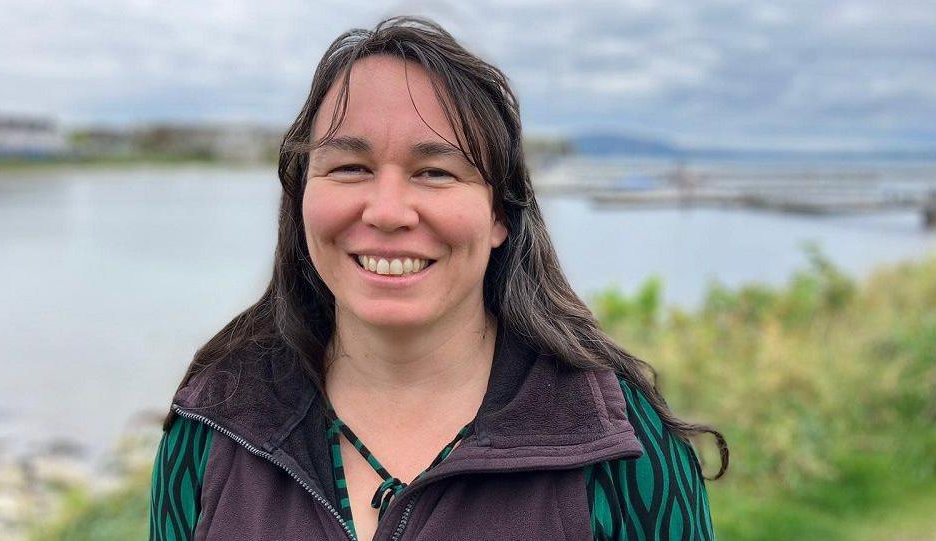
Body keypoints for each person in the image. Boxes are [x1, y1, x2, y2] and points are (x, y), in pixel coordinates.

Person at [149, 15, 728, 541]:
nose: (388, 211)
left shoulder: (621, 447)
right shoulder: (214, 423)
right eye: (350, 167)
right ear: (301, 199)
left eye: (435, 171)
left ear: (501, 213)